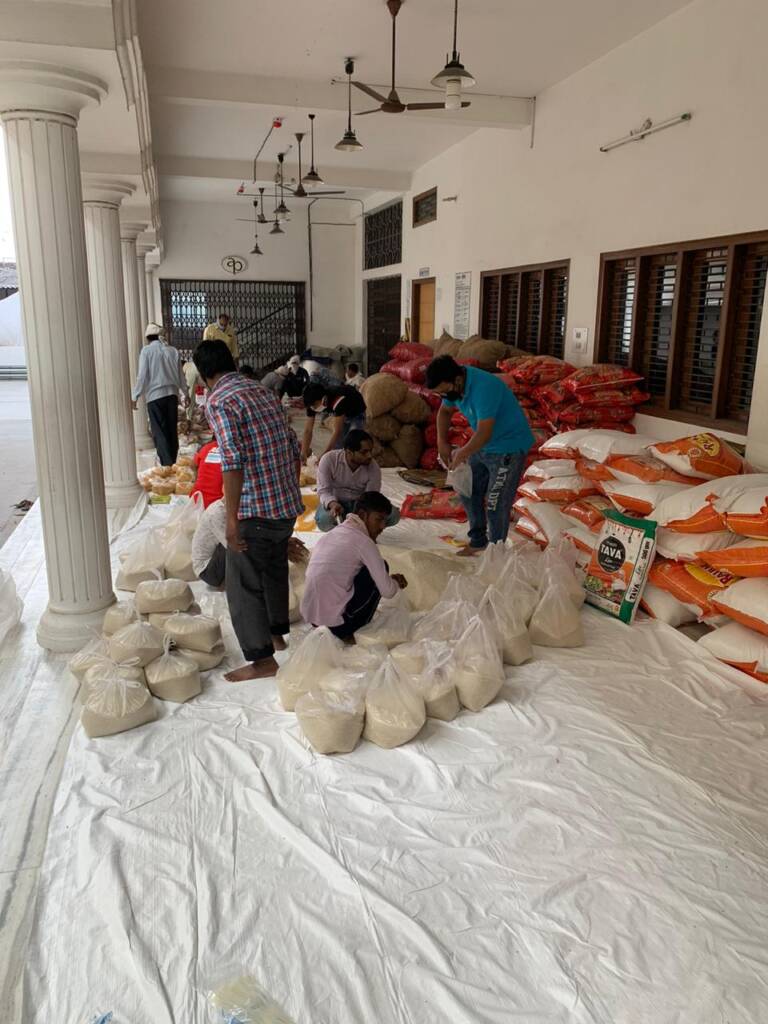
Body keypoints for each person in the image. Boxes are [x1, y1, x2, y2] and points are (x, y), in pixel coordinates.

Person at [193, 339, 304, 681]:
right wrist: (289, 492)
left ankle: (262, 660)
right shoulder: (262, 391)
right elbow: (293, 446)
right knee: (273, 569)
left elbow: (232, 459)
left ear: (204, 374)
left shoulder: (220, 400)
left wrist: (231, 519)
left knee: (243, 584)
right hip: (285, 506)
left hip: (255, 512)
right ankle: (276, 635)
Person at [425, 354, 534, 556]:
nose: (444, 396)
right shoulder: (454, 386)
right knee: (467, 490)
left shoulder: (484, 388)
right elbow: (445, 412)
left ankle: (495, 551)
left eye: (444, 391)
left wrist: (462, 453)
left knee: (495, 503)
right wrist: (442, 442)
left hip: (508, 447)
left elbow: (484, 432)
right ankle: (478, 541)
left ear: (457, 380)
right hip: (484, 445)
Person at [301, 491, 407, 641]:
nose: (383, 526)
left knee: (362, 569)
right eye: (379, 519)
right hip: (336, 627)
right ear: (363, 515)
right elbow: (388, 591)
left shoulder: (332, 534)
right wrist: (395, 582)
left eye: (385, 521)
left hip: (312, 619)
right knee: (381, 566)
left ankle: (339, 619)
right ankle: (350, 630)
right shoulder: (364, 542)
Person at [191, 497, 307, 590]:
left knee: (250, 536)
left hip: (218, 558)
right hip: (208, 571)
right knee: (238, 541)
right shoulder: (217, 514)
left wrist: (283, 540)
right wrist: (280, 547)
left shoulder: (234, 510)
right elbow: (238, 546)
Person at [315, 430, 399, 532]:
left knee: (393, 514)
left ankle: (358, 530)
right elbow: (323, 491)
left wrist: (361, 514)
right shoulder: (329, 460)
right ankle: (341, 533)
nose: (369, 456)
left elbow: (371, 497)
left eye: (370, 451)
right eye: (364, 452)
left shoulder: (373, 467)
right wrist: (333, 504)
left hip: (360, 505)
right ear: (349, 452)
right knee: (324, 519)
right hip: (336, 502)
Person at [132, 322, 188, 466]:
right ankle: (172, 461)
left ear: (148, 338)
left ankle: (166, 464)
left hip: (154, 397)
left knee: (159, 431)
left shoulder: (146, 351)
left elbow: (142, 376)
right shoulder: (173, 351)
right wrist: (186, 394)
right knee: (171, 429)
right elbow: (181, 376)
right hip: (172, 396)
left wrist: (135, 395)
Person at [301, 381, 366, 461]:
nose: (313, 408)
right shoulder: (311, 404)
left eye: (314, 405)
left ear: (324, 399)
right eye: (311, 406)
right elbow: (308, 430)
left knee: (355, 442)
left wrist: (324, 455)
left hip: (356, 410)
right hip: (341, 412)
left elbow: (337, 431)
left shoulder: (338, 399)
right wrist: (303, 453)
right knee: (337, 446)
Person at [191, 497, 227, 587]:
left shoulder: (220, 507)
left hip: (209, 564)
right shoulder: (217, 513)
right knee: (233, 544)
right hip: (207, 571)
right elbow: (230, 545)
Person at [189, 439, 223, 508]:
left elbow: (192, 465)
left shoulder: (207, 447)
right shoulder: (233, 452)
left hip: (196, 500)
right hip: (217, 505)